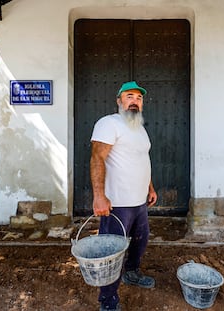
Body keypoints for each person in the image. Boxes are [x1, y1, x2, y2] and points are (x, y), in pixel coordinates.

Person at [90, 81, 158, 311]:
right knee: (112, 253)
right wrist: (99, 196)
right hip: (117, 203)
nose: (134, 101)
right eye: (129, 96)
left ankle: (132, 273)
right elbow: (97, 158)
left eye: (138, 98)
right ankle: (107, 302)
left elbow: (141, 159)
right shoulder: (109, 124)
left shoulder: (139, 128)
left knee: (141, 241)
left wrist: (150, 187)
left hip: (139, 201)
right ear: (119, 101)